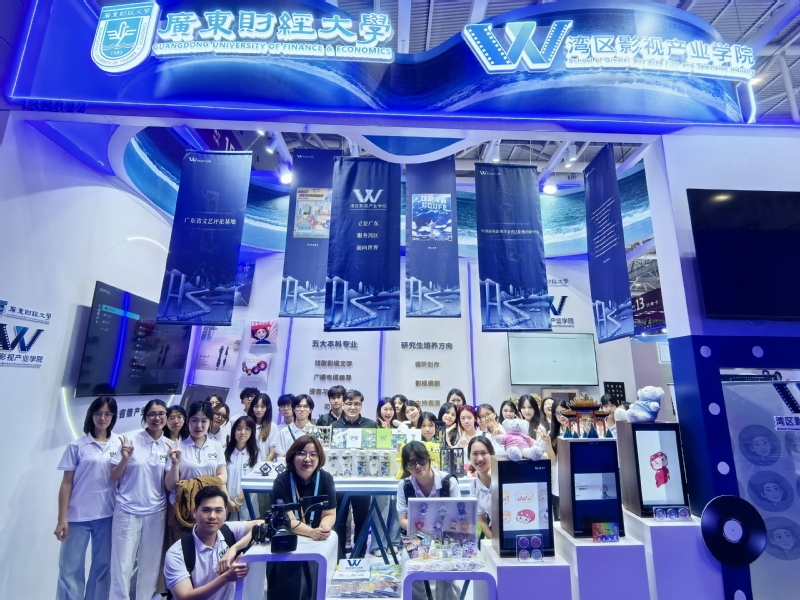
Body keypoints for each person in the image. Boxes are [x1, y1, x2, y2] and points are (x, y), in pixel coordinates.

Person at [55, 396, 121, 600]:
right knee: (70, 569)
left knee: (102, 568)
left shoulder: (119, 443)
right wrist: (61, 519)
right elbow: (66, 483)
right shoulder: (77, 446)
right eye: (98, 413)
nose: (102, 418)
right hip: (77, 516)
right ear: (91, 415)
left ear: (113, 417)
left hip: (107, 515)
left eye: (107, 414)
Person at [109, 399, 173, 600]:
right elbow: (114, 476)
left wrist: (177, 463)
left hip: (156, 512)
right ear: (145, 417)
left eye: (161, 414)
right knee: (122, 565)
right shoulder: (130, 440)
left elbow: (169, 484)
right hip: (127, 511)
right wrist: (125, 458)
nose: (157, 418)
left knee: (150, 565)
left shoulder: (170, 446)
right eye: (152, 414)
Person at [267, 436, 337, 600]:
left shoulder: (326, 479)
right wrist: (311, 532)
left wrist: (324, 528)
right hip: (290, 537)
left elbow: (329, 514)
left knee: (322, 584)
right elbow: (288, 519)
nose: (307, 459)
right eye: (301, 453)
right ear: (292, 456)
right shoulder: (282, 481)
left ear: (319, 457)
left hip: (318, 538)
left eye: (313, 454)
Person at [163, 485, 259, 600]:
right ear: (195, 512)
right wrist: (226, 578)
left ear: (225, 513)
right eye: (206, 510)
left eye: (218, 511)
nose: (212, 516)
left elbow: (261, 525)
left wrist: (233, 549)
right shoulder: (177, 553)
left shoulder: (228, 530)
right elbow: (185, 597)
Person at [396, 441, 461, 600]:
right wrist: (424, 534)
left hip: (447, 536)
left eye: (421, 460)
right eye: (412, 463)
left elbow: (458, 518)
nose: (418, 466)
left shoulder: (448, 482)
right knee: (408, 563)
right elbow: (403, 520)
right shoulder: (404, 486)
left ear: (429, 459)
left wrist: (437, 535)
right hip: (417, 536)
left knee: (447, 568)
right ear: (406, 467)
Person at [165, 402, 228, 546]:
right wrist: (175, 462)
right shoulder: (178, 447)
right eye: (194, 420)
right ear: (188, 421)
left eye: (204, 421)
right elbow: (170, 486)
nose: (198, 425)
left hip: (209, 508)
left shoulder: (216, 446)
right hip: (184, 509)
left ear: (210, 422)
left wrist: (196, 483)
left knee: (208, 548)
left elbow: (223, 477)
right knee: (184, 550)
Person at [332, 389, 376, 557]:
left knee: (361, 520)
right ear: (343, 405)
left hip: (362, 481)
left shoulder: (371, 425)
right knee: (339, 520)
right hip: (340, 481)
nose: (352, 407)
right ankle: (339, 555)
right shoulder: (334, 426)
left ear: (361, 406)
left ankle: (359, 555)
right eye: (349, 403)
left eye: (356, 404)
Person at [224, 416, 260, 521]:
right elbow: (221, 479)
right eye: (239, 428)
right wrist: (228, 501)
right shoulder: (224, 451)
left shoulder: (256, 453)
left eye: (247, 429)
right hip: (226, 503)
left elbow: (254, 479)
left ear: (252, 432)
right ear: (233, 431)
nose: (242, 432)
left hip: (247, 505)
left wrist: (239, 500)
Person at [545, 399, 569, 520]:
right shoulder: (552, 433)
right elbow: (553, 460)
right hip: (558, 477)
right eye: (557, 413)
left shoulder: (578, 429)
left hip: (574, 476)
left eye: (563, 412)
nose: (561, 416)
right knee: (561, 519)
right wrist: (548, 443)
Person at [468, 437, 495, 539]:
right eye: (475, 454)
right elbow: (482, 520)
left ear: (491, 454)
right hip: (496, 533)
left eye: (484, 453)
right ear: (469, 457)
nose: (479, 458)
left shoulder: (502, 475)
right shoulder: (474, 486)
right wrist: (494, 542)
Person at [247, 392, 278, 462]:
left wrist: (264, 466)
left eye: (262, 407)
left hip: (264, 465)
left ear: (267, 408)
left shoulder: (272, 426)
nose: (259, 410)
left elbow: (272, 452)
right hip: (247, 465)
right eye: (256, 406)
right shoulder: (247, 424)